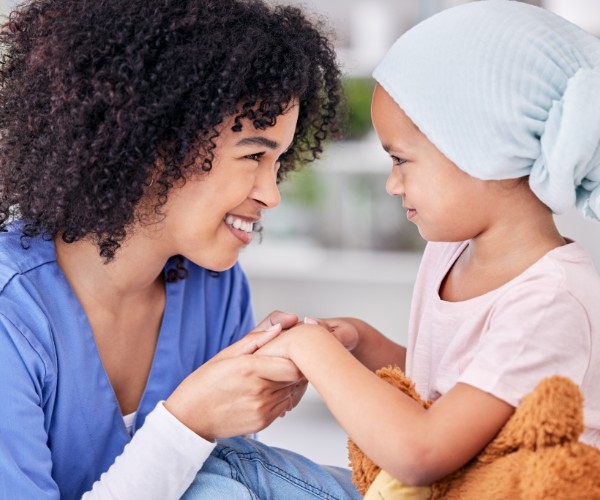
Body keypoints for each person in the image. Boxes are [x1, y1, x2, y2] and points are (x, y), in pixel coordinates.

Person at [0, 0, 361, 498]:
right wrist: (189, 419)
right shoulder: (11, 314)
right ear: (152, 142)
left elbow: (214, 486)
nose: (271, 194)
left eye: (278, 162)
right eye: (254, 154)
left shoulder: (217, 289)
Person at [254, 0, 600, 490]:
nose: (393, 184)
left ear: (481, 148)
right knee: (236, 466)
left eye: (400, 159)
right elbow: (454, 391)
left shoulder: (551, 301)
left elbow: (424, 452)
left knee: (243, 475)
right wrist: (362, 343)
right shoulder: (450, 252)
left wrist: (314, 351)